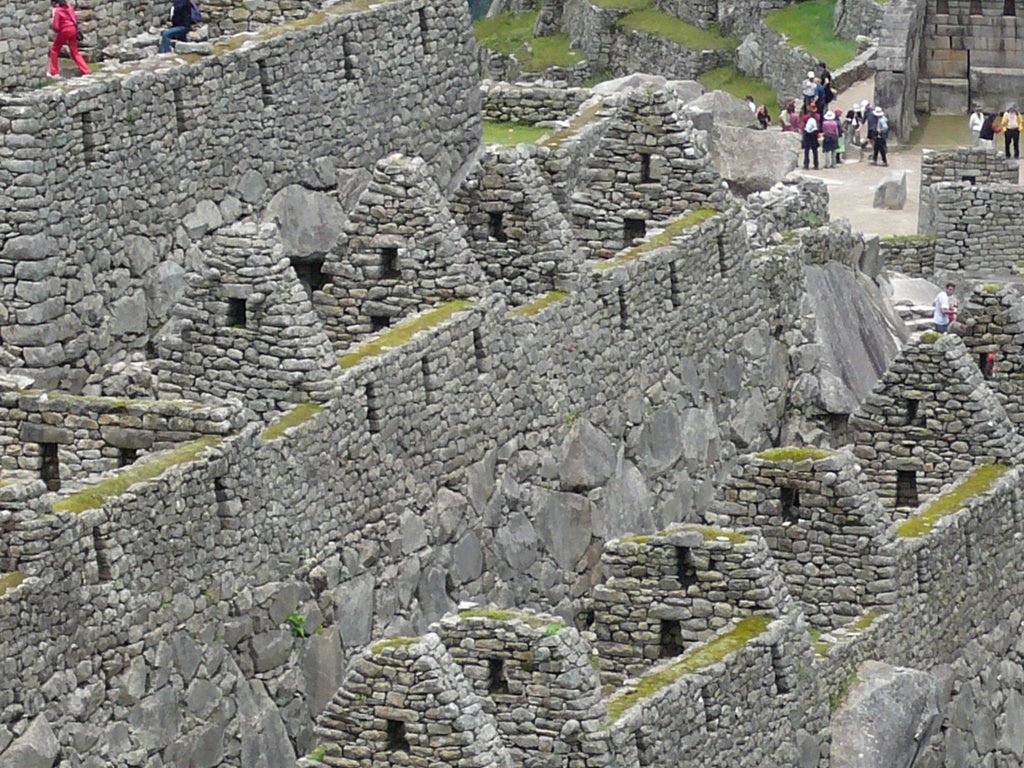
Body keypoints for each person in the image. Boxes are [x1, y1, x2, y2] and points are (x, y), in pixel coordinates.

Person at [48, 0, 91, 78]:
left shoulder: (58, 10)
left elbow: (56, 26)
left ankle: (54, 71)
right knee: (75, 51)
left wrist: (57, 31)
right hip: (73, 29)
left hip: (64, 30)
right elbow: (74, 18)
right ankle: (86, 70)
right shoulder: (69, 7)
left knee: (55, 49)